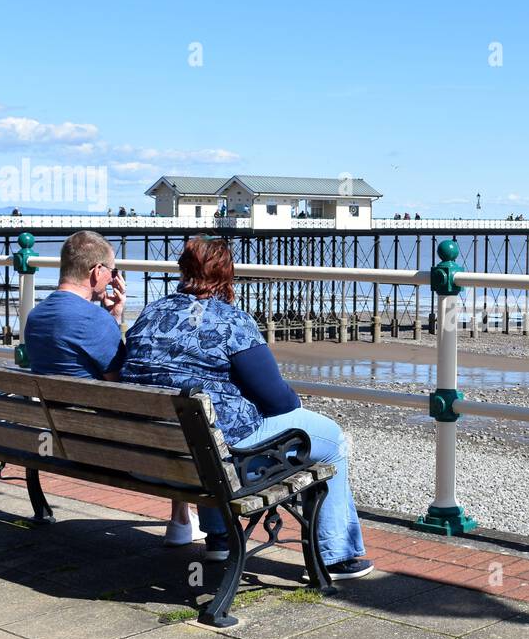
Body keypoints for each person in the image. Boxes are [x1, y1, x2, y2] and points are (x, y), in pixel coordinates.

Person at [121, 236, 373, 577]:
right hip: (215, 463)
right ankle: (336, 556)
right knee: (333, 441)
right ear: (228, 275)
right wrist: (292, 401)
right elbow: (277, 401)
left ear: (182, 270)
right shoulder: (231, 322)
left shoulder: (150, 313)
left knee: (206, 435)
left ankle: (221, 539)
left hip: (149, 459)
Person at [24, 231, 201, 545]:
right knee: (176, 416)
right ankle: (181, 520)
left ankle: (185, 519)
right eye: (113, 270)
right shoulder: (94, 320)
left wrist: (112, 316)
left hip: (55, 438)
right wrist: (113, 320)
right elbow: (122, 387)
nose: (114, 277)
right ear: (96, 272)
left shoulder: (36, 317)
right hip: (102, 449)